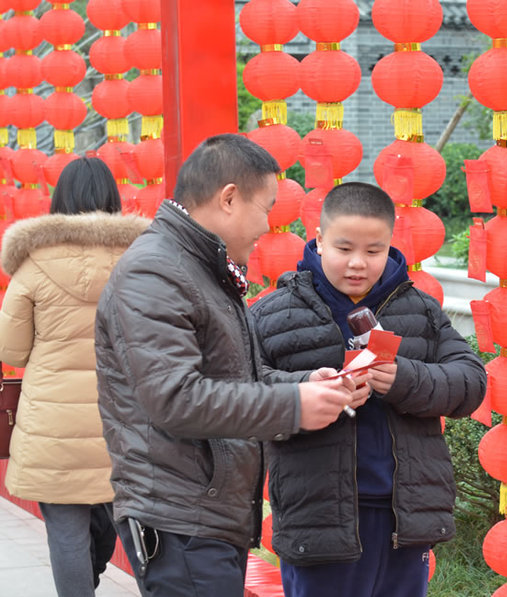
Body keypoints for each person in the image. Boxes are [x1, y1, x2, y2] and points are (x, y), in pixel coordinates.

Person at [94, 134, 366, 597]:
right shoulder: (155, 271)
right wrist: (292, 404)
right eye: (266, 207)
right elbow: (175, 398)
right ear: (229, 198)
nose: (267, 225)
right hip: (180, 515)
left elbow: (237, 378)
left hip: (204, 511)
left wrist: (306, 384)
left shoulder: (199, 267)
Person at [251, 182, 487, 597]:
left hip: (406, 515)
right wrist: (305, 388)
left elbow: (470, 382)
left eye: (373, 251)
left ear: (390, 244)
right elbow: (239, 390)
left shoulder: (419, 308)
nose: (358, 263)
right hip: (319, 516)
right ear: (319, 240)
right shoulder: (272, 313)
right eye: (344, 249)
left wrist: (405, 378)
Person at [0, 157, 148, 596]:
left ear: (58, 199)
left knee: (65, 532)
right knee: (136, 528)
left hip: (53, 425)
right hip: (127, 421)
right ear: (113, 197)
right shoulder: (142, 261)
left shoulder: (32, 264)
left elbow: (12, 350)